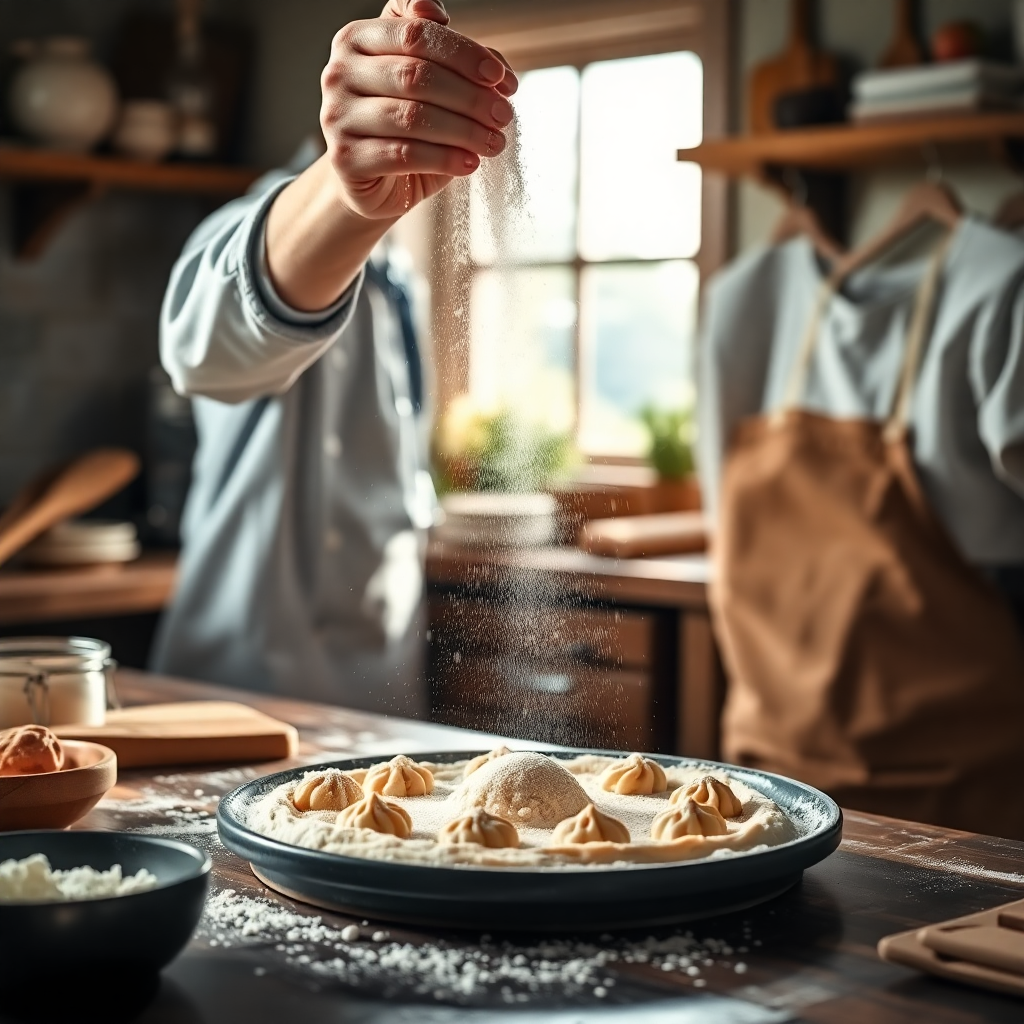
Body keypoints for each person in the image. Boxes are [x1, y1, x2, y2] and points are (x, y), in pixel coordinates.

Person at [150, 0, 517, 716]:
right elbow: (203, 352)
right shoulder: (264, 222)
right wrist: (346, 202)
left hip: (379, 693)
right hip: (243, 688)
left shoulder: (400, 279)